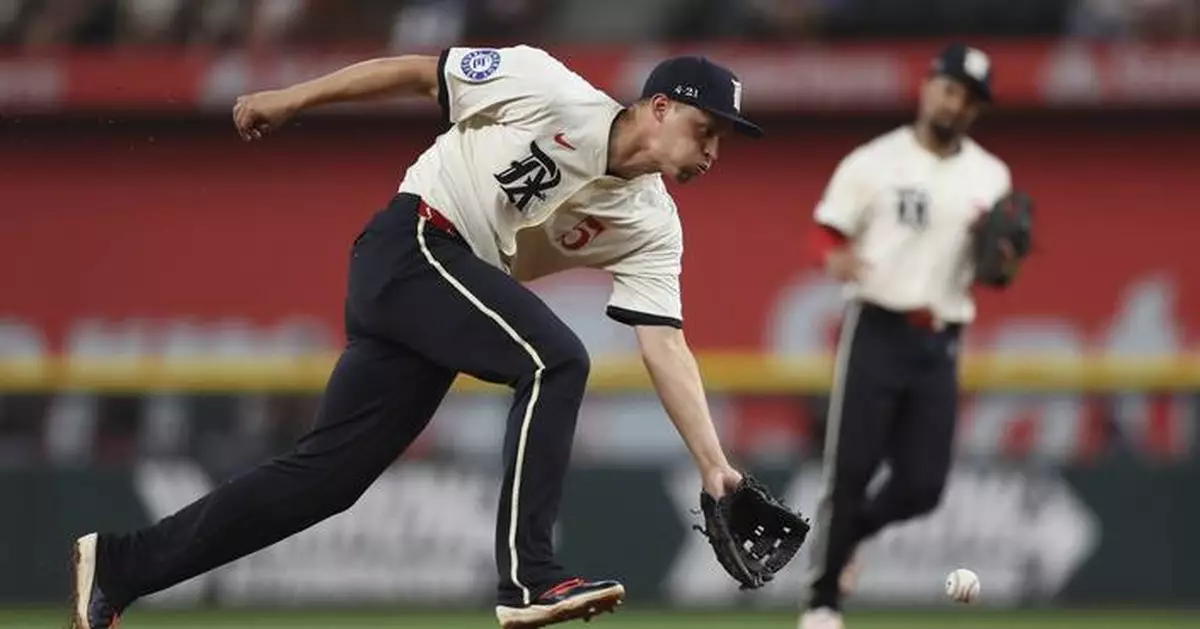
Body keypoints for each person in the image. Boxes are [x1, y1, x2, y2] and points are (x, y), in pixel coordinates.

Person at [69, 45, 762, 629]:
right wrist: (293, 98)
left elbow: (665, 342)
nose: (713, 149)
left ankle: (122, 565)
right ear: (662, 107)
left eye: (723, 138)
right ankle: (528, 576)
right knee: (555, 360)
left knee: (324, 481)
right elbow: (417, 73)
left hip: (437, 295)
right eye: (707, 128)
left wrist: (712, 464)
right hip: (415, 243)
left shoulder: (652, 223)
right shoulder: (550, 88)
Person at [798, 44, 1020, 629]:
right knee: (848, 473)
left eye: (970, 98)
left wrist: (1002, 261)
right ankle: (823, 602)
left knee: (923, 486)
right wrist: (837, 257)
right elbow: (826, 232)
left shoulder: (991, 175)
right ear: (927, 88)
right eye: (950, 89)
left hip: (941, 339)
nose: (958, 103)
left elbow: (996, 270)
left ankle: (848, 540)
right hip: (877, 327)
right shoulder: (874, 162)